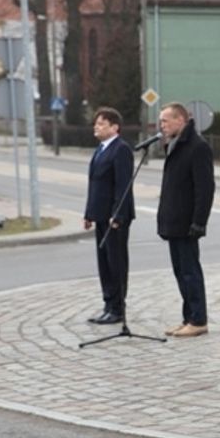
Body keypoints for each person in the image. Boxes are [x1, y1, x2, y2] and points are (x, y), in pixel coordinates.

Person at [158, 103, 216, 339]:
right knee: (180, 272)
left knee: (191, 271)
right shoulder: (175, 145)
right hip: (174, 221)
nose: (162, 126)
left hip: (187, 223)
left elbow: (205, 189)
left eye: (165, 121)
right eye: (161, 121)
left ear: (180, 120)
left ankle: (198, 319)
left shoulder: (197, 147)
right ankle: (188, 317)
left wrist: (199, 221)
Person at [83, 107, 135, 325]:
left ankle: (118, 308)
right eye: (96, 123)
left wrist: (118, 215)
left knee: (116, 262)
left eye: (102, 123)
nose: (97, 126)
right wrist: (88, 214)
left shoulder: (121, 149)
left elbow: (123, 186)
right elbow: (94, 185)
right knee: (104, 262)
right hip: (101, 215)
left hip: (115, 217)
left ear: (115, 127)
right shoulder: (100, 150)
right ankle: (108, 304)